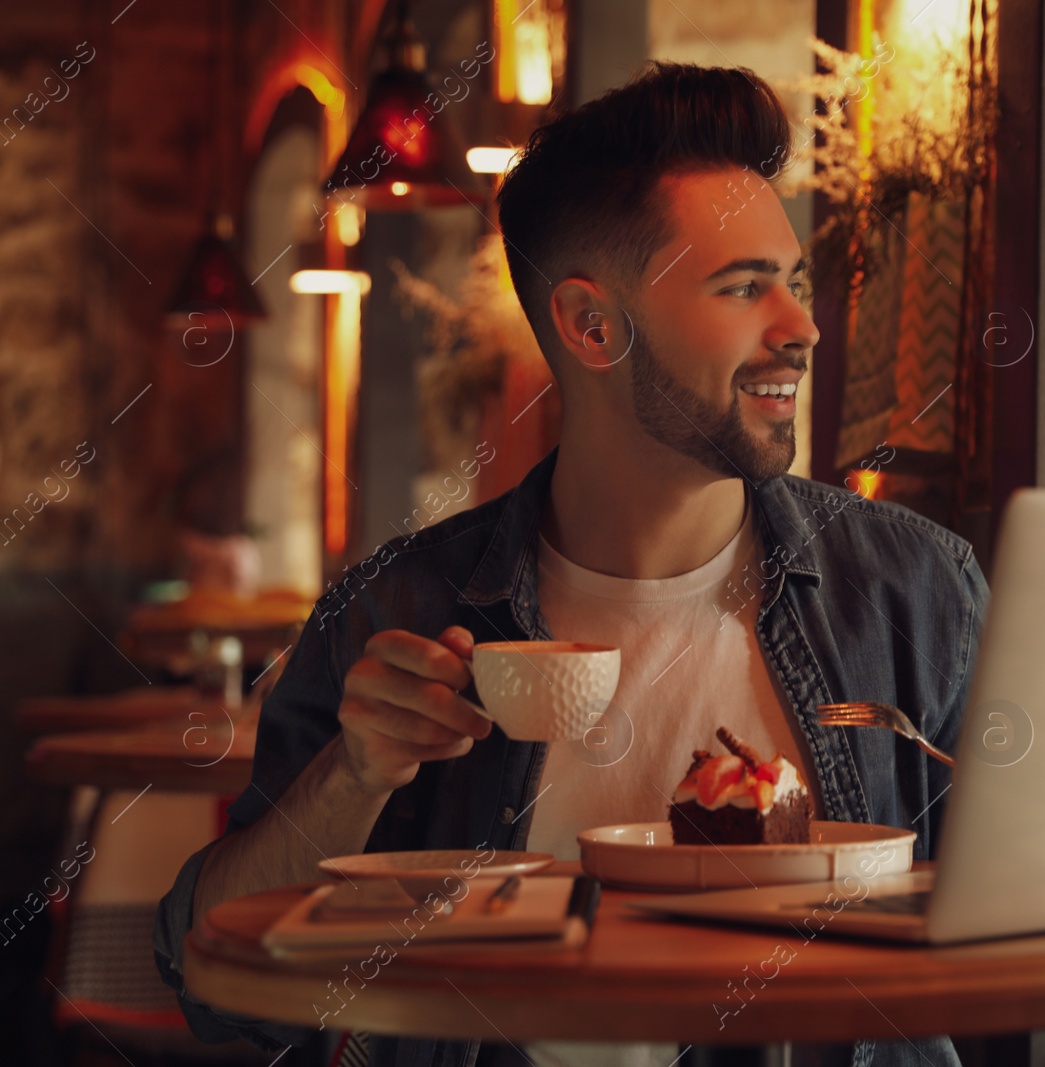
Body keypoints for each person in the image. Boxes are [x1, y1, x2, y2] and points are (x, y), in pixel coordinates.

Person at [156, 61, 988, 1067]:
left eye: (794, 283)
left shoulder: (914, 590)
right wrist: (356, 771)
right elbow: (214, 978)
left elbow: (1019, 937)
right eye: (743, 287)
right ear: (593, 326)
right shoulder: (400, 606)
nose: (800, 327)